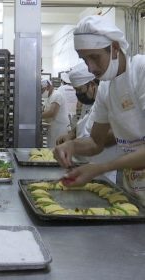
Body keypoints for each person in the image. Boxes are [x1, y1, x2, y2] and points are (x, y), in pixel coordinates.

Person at [53, 15, 145, 205]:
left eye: (95, 57)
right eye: (84, 59)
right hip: (135, 183)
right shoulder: (106, 87)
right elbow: (96, 141)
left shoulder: (140, 71)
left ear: (115, 48)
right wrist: (72, 145)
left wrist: (102, 168)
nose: (91, 67)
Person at [56, 62, 122, 183]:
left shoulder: (111, 99)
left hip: (104, 169)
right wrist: (70, 135)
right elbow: (84, 124)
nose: (78, 95)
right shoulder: (90, 102)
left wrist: (76, 145)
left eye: (80, 90)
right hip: (85, 165)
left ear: (92, 85)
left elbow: (113, 135)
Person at [41, 79, 69, 148]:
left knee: (57, 149)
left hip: (60, 128)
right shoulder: (49, 97)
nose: (41, 92)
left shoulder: (57, 95)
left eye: (42, 90)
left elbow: (52, 112)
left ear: (48, 87)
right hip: (54, 127)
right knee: (51, 149)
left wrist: (36, 116)